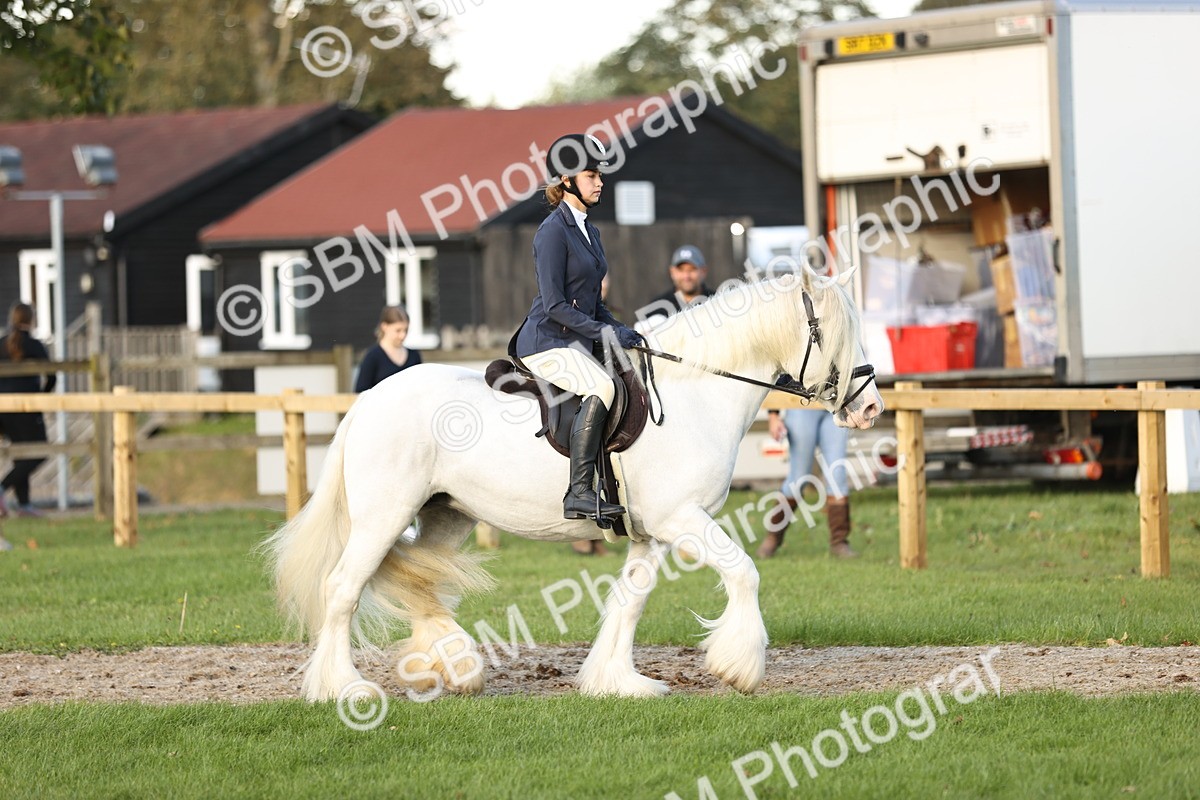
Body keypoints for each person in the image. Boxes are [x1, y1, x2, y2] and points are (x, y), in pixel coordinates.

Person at [514, 132, 643, 524]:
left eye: (599, 174)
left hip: (576, 337)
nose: (599, 181)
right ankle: (580, 492)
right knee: (602, 386)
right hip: (547, 341)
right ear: (567, 181)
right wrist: (603, 334)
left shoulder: (591, 230)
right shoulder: (552, 232)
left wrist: (622, 329)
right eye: (591, 175)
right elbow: (554, 305)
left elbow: (593, 303)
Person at [757, 407, 857, 559]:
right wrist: (773, 415)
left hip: (836, 406)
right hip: (801, 406)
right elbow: (777, 381)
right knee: (798, 480)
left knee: (837, 475)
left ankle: (839, 542)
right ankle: (773, 536)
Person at [0, 303, 56, 518]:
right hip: (27, 409)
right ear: (31, 320)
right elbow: (52, 376)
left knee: (20, 453)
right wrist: (42, 398)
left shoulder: (1, 343)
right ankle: (3, 488)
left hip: (3, 409)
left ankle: (24, 504)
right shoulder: (34, 345)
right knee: (39, 451)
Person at [638, 244, 715, 324]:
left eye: (692, 269)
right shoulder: (657, 309)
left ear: (703, 271)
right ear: (672, 272)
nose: (686, 276)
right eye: (681, 270)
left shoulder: (717, 303)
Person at [354, 306, 423, 392]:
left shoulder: (414, 356)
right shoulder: (372, 357)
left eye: (406, 330)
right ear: (384, 327)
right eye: (398, 330)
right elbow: (360, 392)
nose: (403, 335)